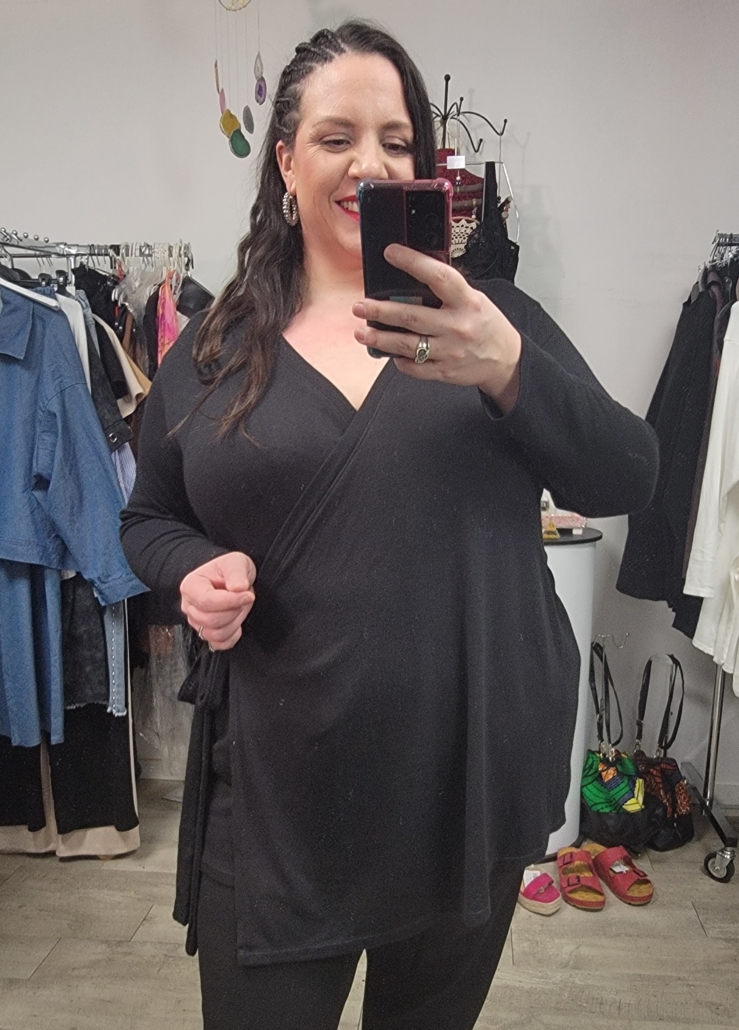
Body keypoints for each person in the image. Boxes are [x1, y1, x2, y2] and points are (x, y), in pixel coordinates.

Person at [120, 19, 658, 1030]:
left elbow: (630, 472)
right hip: (279, 801)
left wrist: (508, 370)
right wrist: (189, 569)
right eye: (337, 137)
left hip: (466, 786)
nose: (371, 162)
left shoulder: (493, 320)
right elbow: (148, 516)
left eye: (397, 140)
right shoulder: (214, 349)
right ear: (286, 162)